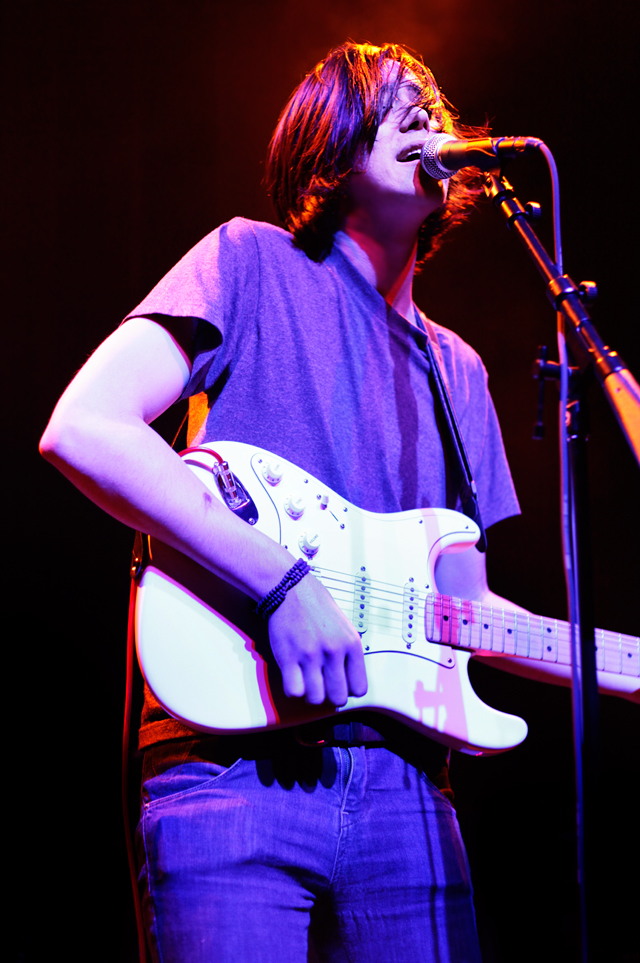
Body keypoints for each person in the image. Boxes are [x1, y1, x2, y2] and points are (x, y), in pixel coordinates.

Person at [40, 41, 526, 963]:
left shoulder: (459, 369)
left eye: (432, 102)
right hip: (230, 765)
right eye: (394, 101)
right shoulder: (248, 261)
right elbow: (87, 427)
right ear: (330, 139)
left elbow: (467, 607)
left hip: (409, 793)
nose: (426, 114)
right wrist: (282, 583)